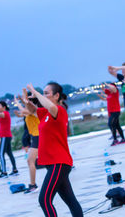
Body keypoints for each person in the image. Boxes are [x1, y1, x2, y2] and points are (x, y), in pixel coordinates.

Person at [25, 82, 83, 217]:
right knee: (70, 200)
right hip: (51, 162)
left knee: (44, 199)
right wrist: (27, 100)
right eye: (43, 93)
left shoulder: (59, 110)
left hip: (59, 162)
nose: (43, 96)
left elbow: (50, 106)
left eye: (47, 93)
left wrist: (36, 91)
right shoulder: (45, 113)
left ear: (57, 96)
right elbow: (32, 110)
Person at [14, 92, 41, 194]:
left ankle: (33, 185)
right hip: (35, 137)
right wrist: (18, 112)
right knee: (32, 161)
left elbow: (24, 111)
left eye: (27, 100)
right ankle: (33, 185)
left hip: (38, 137)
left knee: (30, 161)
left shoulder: (34, 110)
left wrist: (18, 101)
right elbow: (22, 113)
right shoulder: (29, 111)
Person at [0, 101, 18, 179]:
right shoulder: (4, 114)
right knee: (9, 153)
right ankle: (15, 170)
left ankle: (4, 172)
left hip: (5, 136)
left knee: (1, 154)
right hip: (6, 136)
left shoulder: (5, 113)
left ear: (4, 107)